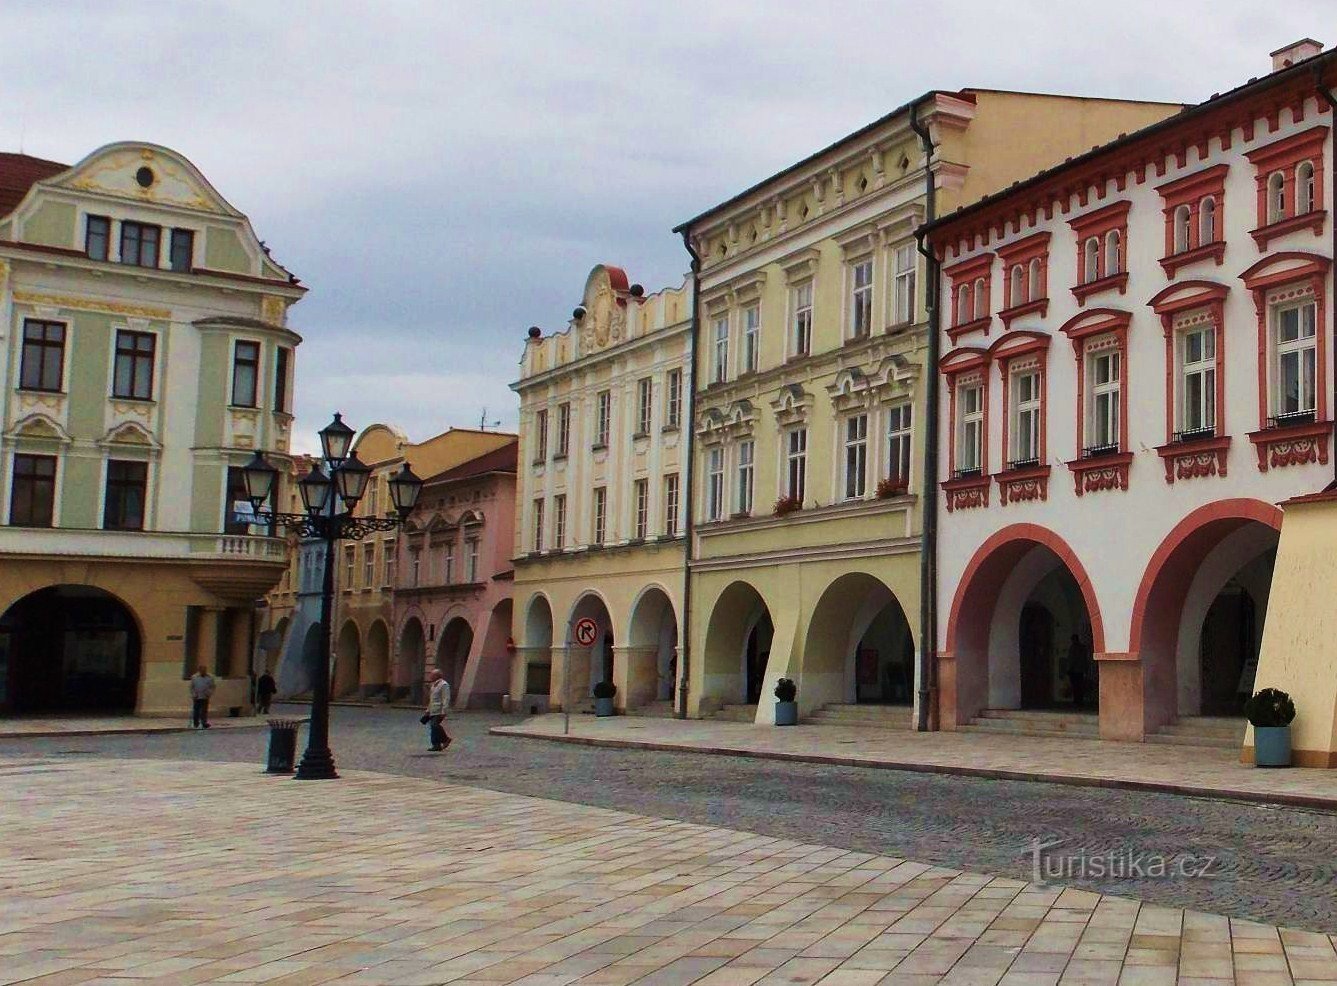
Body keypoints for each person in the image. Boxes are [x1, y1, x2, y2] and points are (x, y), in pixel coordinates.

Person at [423, 668, 451, 751]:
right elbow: (432, 699)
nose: (430, 676)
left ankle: (446, 739)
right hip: (433, 710)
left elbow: (446, 698)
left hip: (439, 710)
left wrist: (444, 711)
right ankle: (436, 745)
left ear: (437, 676)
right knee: (432, 726)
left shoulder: (444, 685)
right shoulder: (434, 685)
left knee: (434, 725)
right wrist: (428, 710)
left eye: (432, 675)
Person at [1066, 634, 1090, 708]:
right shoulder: (1083, 648)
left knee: (1075, 687)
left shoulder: (1073, 648)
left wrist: (1069, 669)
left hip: (1074, 670)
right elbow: (1085, 659)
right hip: (1081, 670)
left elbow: (1071, 660)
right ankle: (1080, 702)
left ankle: (1076, 702)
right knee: (1080, 686)